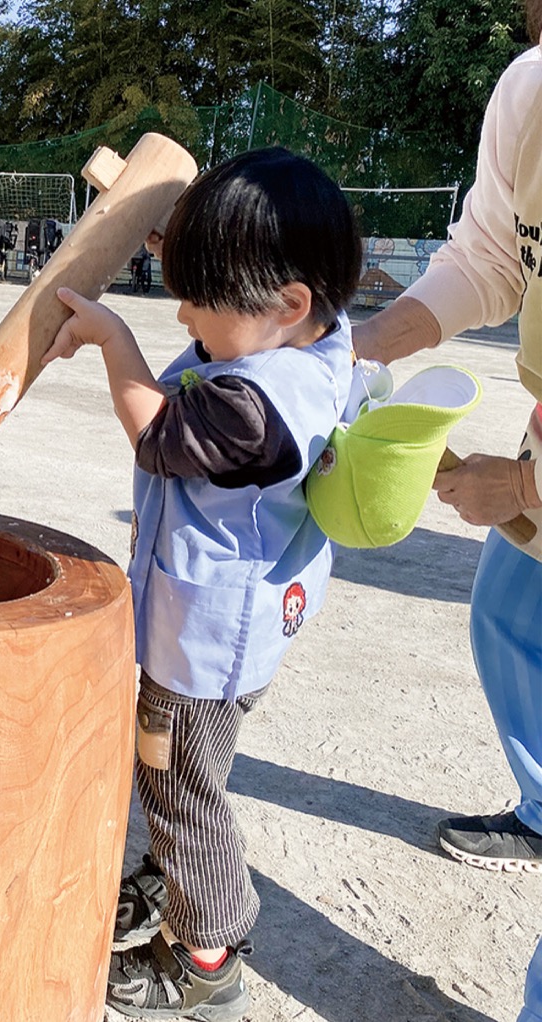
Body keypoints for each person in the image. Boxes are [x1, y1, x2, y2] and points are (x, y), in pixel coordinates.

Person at [41, 147, 362, 1022]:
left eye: (195, 298)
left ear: (286, 303)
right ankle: (168, 882)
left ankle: (206, 956)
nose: (180, 311)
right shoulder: (317, 345)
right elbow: (230, 322)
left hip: (204, 642)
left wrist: (115, 341)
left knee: (181, 788)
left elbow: (157, 433)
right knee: (185, 770)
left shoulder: (253, 410)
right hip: (246, 624)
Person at [352, 4, 542, 1019]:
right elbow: (490, 259)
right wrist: (360, 345)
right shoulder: (530, 90)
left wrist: (526, 490)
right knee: (512, 611)